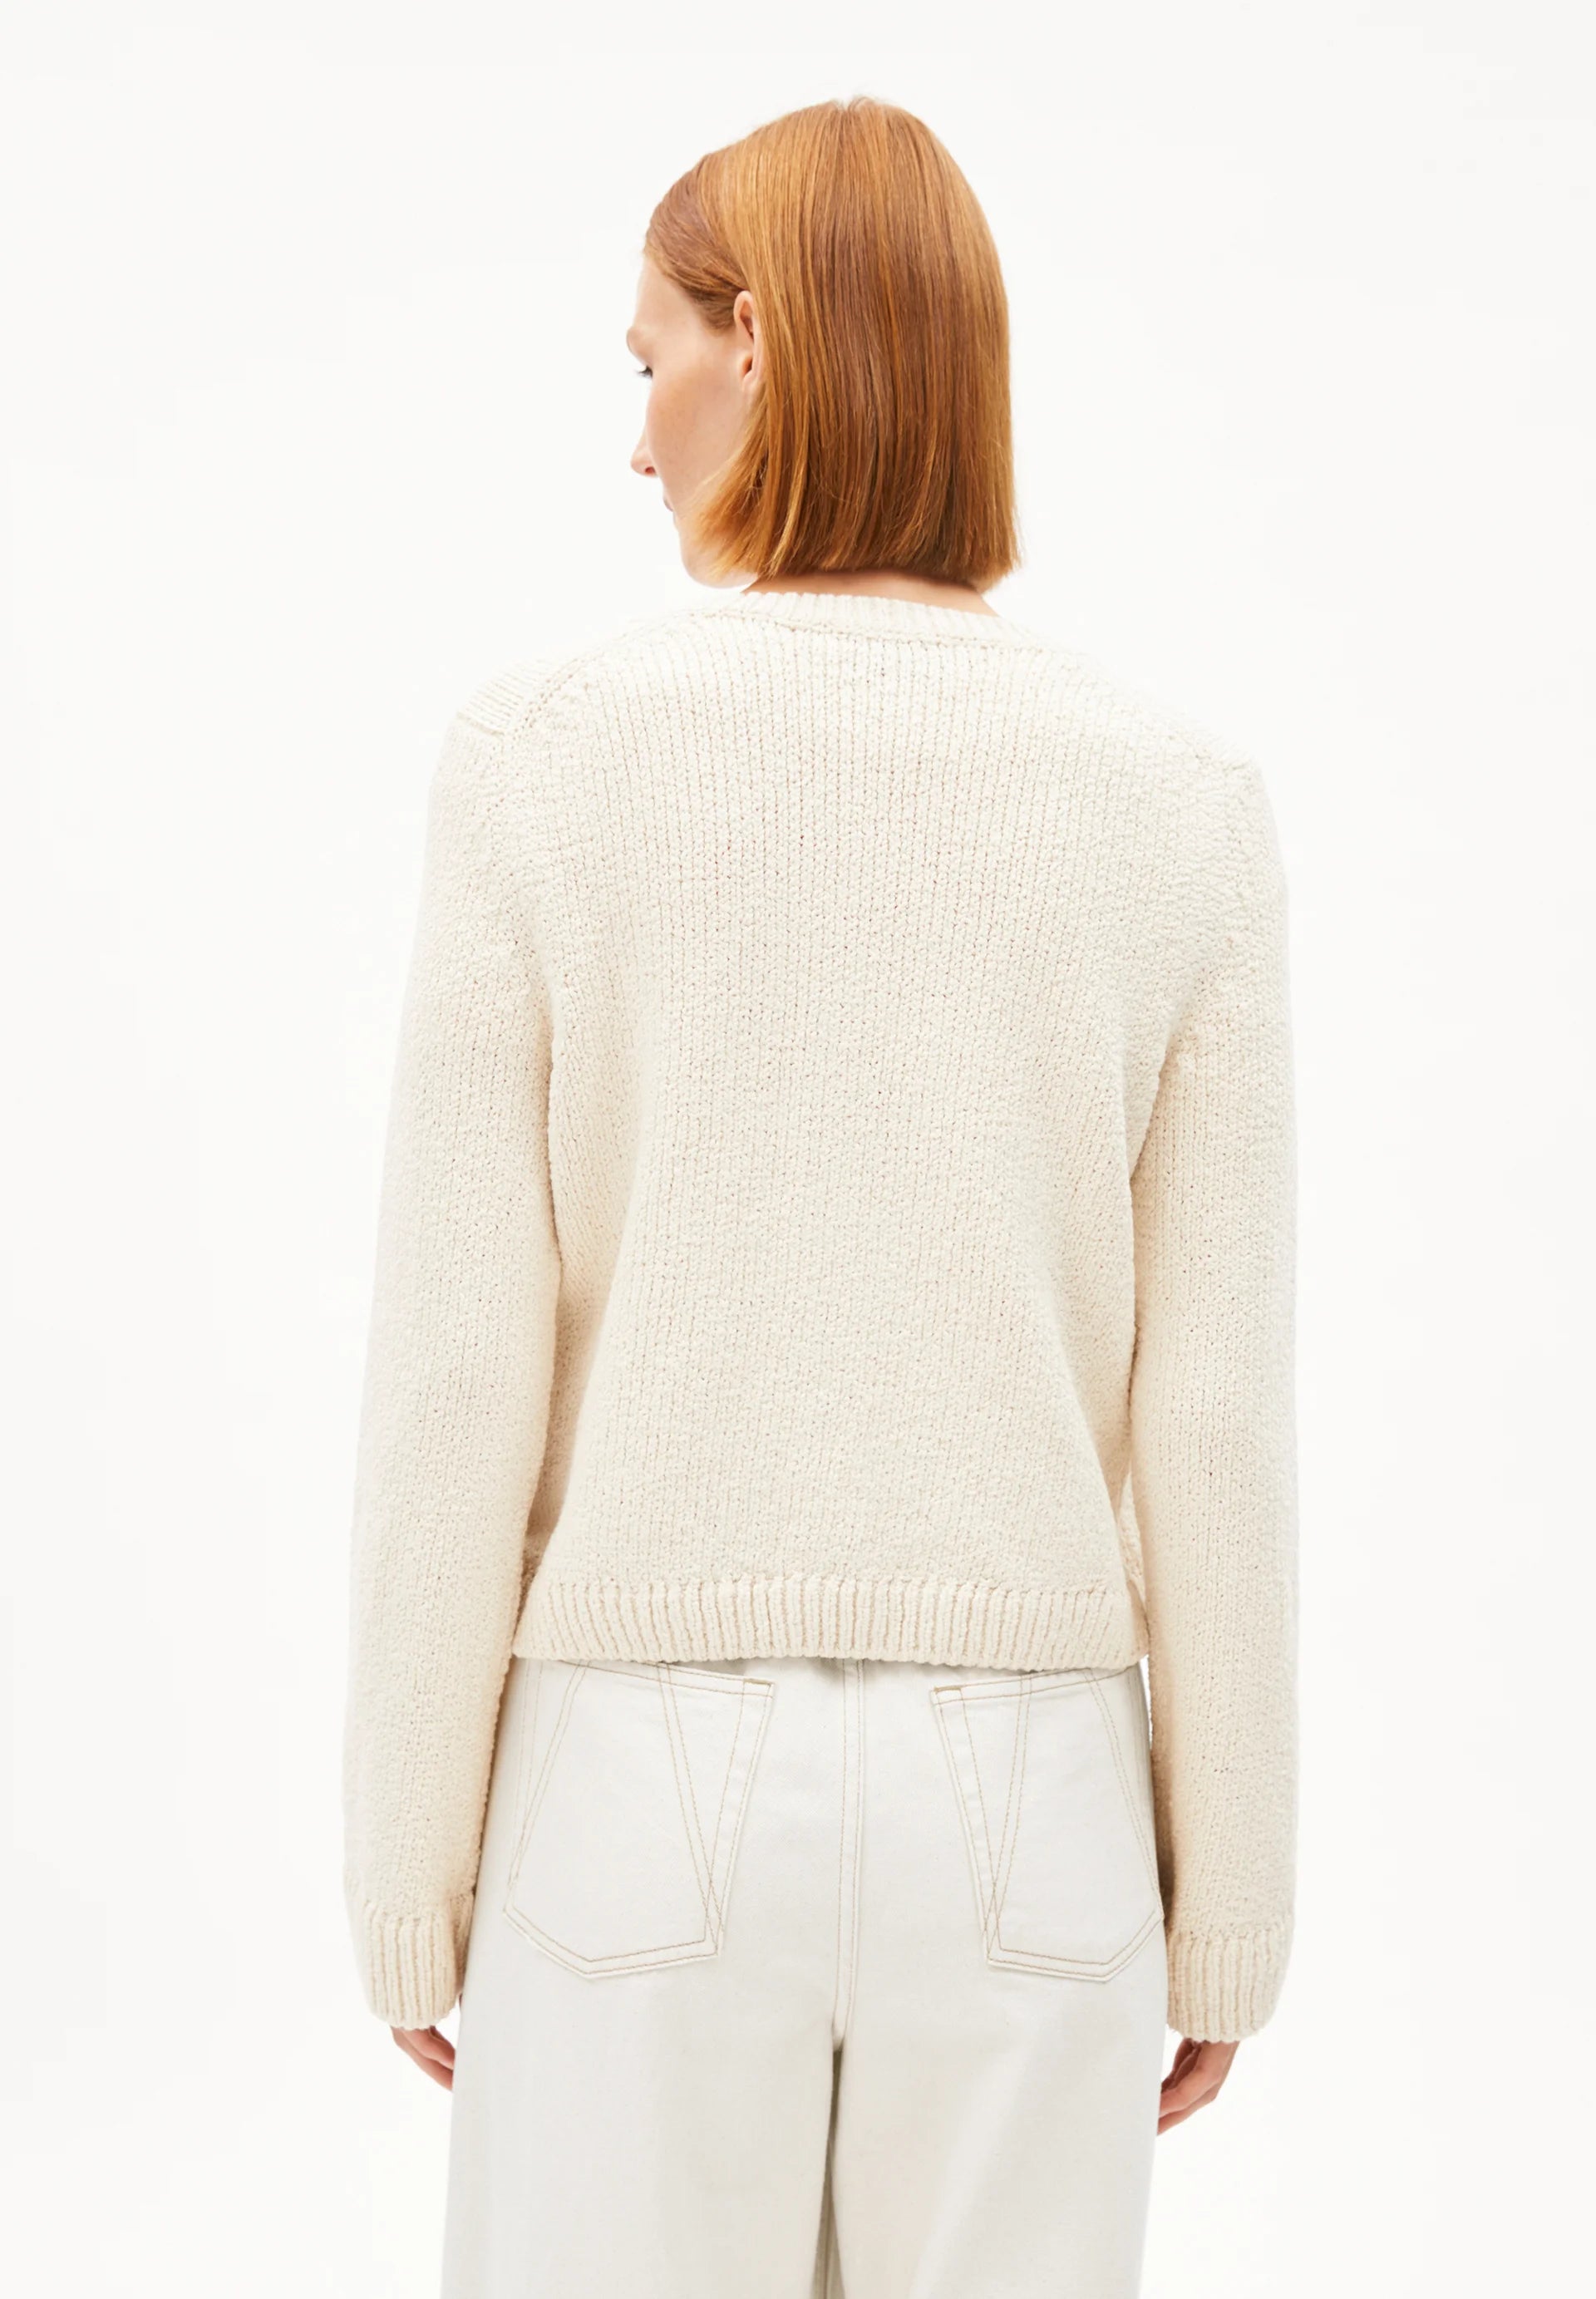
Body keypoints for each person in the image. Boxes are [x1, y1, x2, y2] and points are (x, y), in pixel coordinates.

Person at [341, 93, 1298, 2299]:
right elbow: (1215, 1411)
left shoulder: (542, 762)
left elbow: (462, 1365)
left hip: (630, 1786)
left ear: (757, 341)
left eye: (649, 357)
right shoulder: (1183, 805)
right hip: (1037, 1812)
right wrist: (1231, 1896)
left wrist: (407, 1865)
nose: (637, 435)